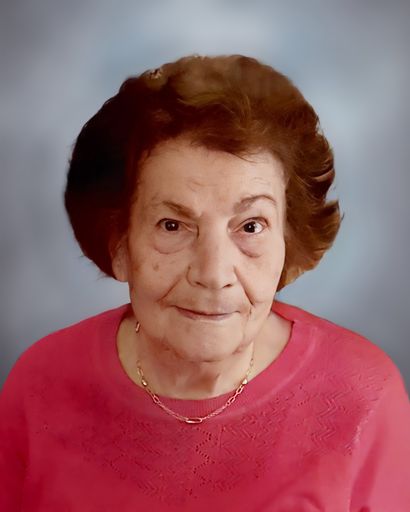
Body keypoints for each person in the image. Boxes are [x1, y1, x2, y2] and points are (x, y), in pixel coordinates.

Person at [1, 54, 409, 511]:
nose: (213, 275)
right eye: (173, 226)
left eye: (250, 226)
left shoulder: (362, 396)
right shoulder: (40, 384)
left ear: (289, 240)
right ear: (119, 246)